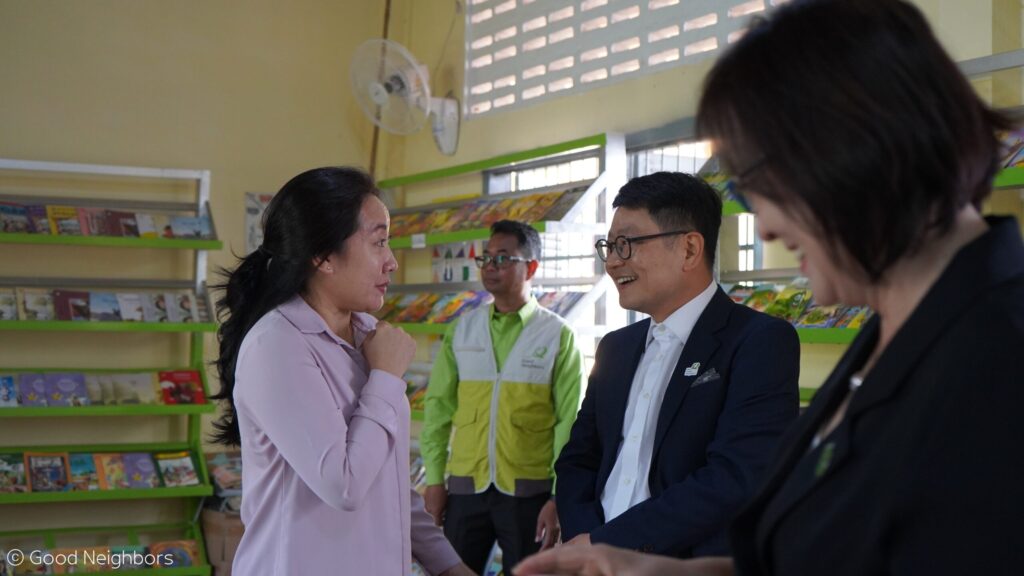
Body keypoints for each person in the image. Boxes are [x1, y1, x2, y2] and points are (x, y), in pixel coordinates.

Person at [515, 1, 1024, 575]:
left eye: (762, 185)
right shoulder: (908, 323)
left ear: (854, 145)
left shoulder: (998, 349)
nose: (771, 226)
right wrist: (660, 570)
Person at [210, 167, 472, 575]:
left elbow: (391, 485)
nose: (392, 263)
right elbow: (343, 484)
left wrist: (450, 566)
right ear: (324, 256)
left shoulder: (368, 337)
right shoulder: (277, 344)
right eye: (379, 242)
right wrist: (385, 378)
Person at [554, 172, 800, 557]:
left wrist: (608, 544)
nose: (614, 262)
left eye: (627, 244)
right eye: (609, 246)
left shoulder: (759, 342)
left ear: (689, 249)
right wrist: (584, 540)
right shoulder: (615, 348)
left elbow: (736, 477)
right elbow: (577, 460)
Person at [420, 220, 585, 576]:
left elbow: (568, 423)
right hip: (465, 488)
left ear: (532, 267)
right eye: (487, 258)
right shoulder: (462, 329)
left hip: (530, 494)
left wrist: (558, 497)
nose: (491, 266)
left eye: (503, 258)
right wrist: (435, 479)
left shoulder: (557, 335)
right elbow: (438, 409)